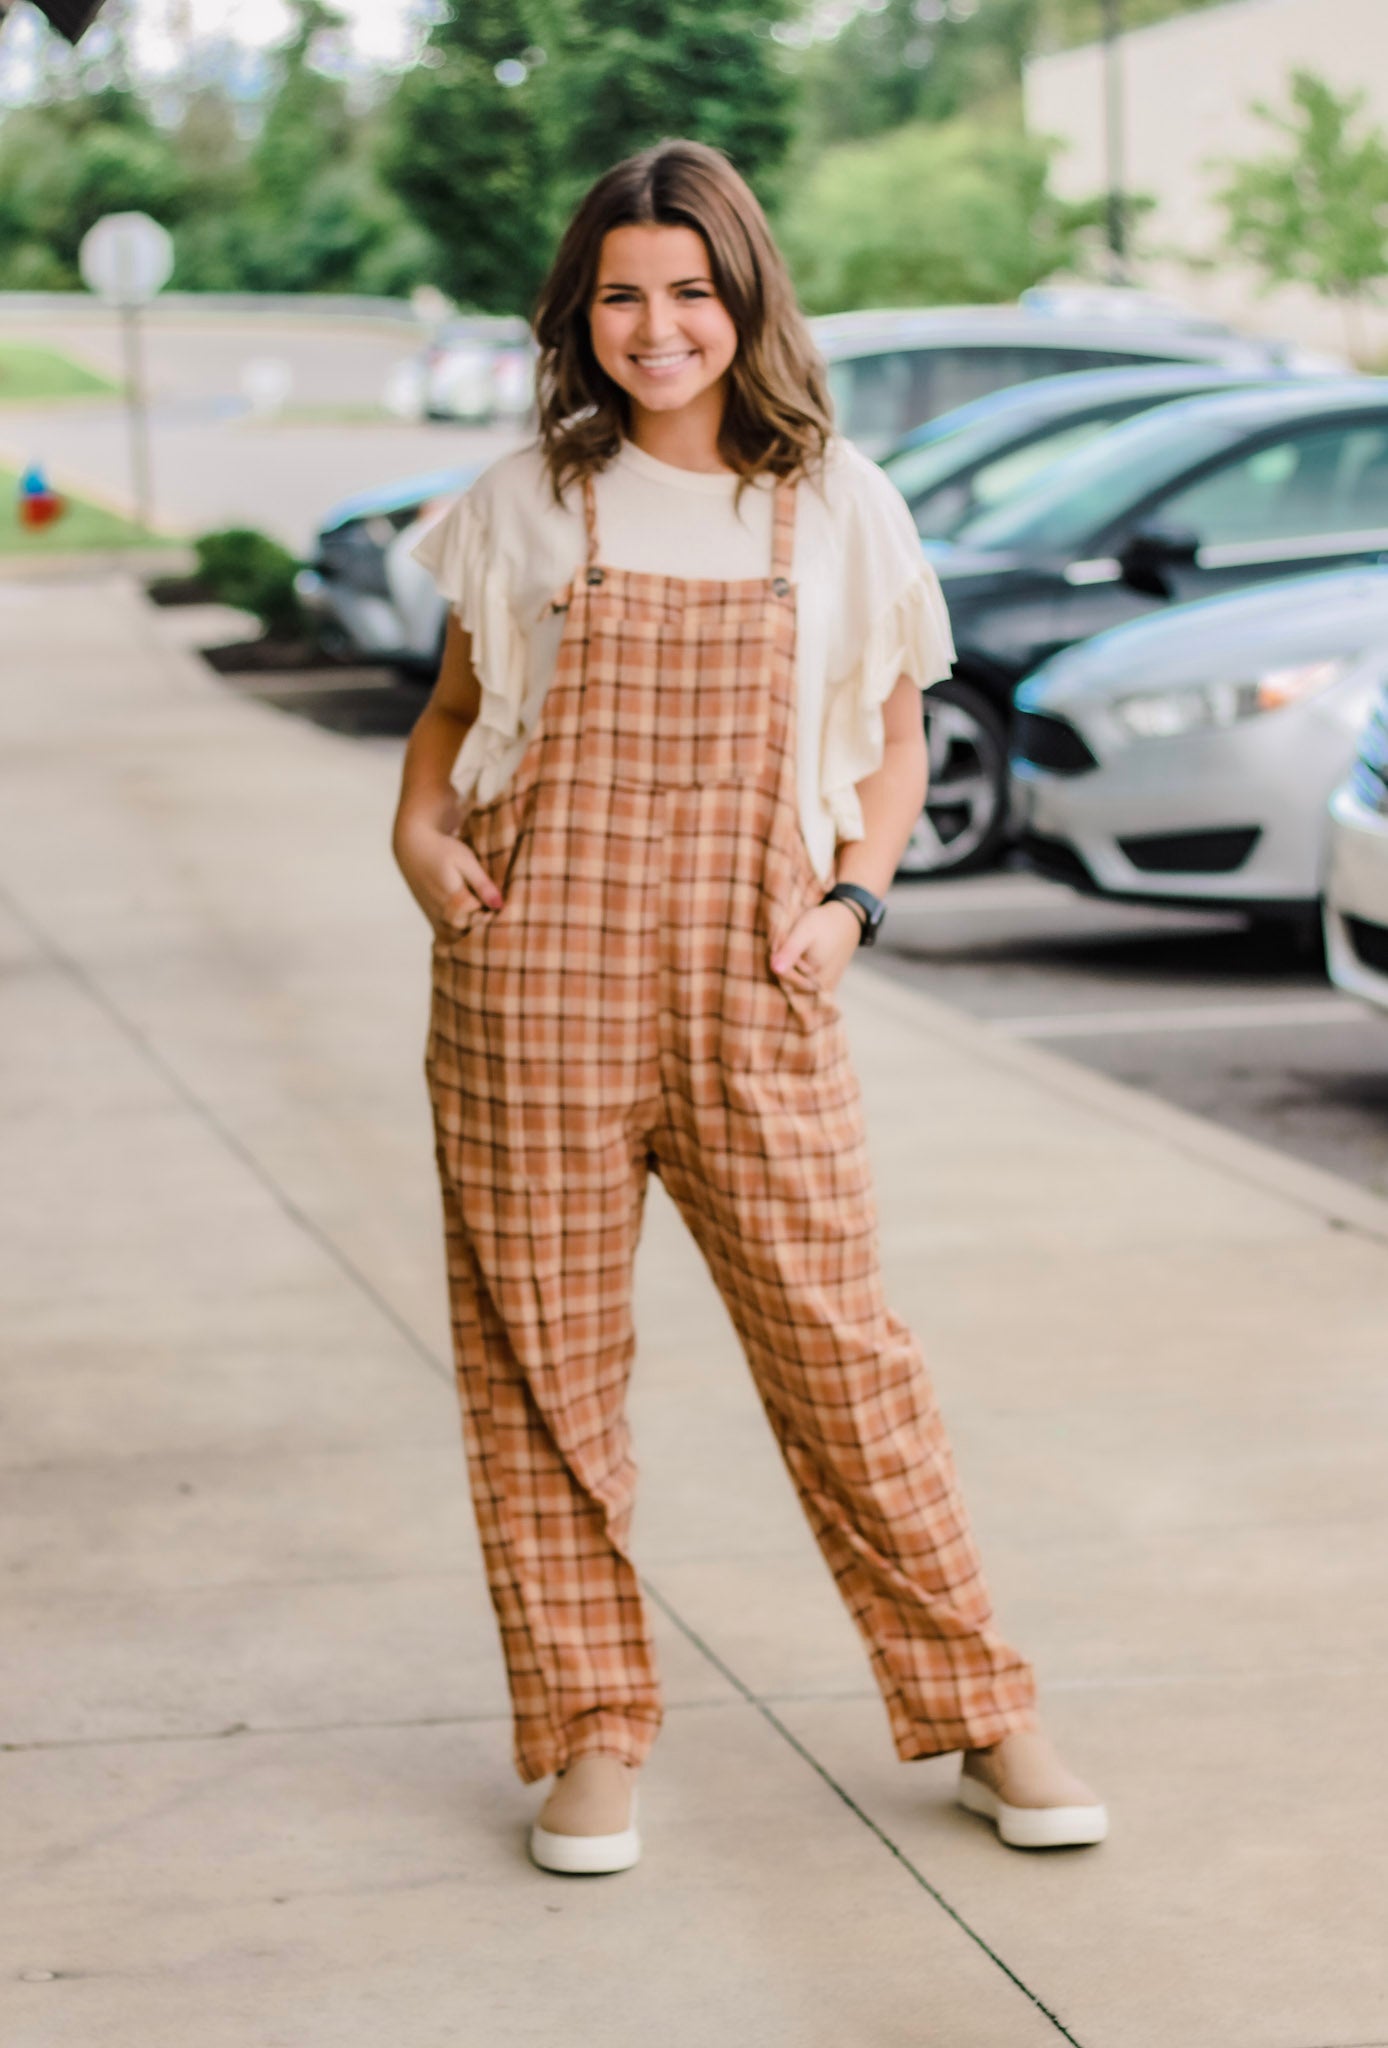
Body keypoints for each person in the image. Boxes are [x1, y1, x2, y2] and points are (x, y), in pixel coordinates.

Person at [391, 138, 1107, 1873]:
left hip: (756, 978)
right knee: (542, 1368)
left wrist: (854, 902)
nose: (658, 329)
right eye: (621, 296)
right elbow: (453, 716)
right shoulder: (524, 502)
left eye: (691, 292)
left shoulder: (842, 503)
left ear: (746, 300)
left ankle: (982, 1710)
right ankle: (590, 1734)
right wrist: (416, 836)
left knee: (844, 1355)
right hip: (534, 982)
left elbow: (894, 743)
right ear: (579, 314)